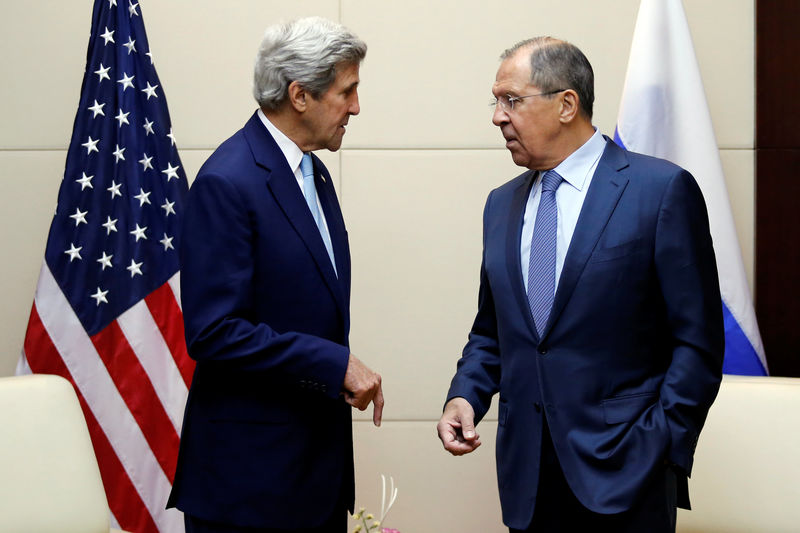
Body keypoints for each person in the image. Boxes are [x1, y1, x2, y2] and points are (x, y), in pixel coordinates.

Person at [437, 36, 724, 532]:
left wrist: (660, 446)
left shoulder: (659, 191)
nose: (497, 116)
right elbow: (493, 332)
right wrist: (466, 395)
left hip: (629, 473)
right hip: (527, 477)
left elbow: (697, 341)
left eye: (511, 100)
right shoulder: (499, 204)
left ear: (566, 104)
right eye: (495, 101)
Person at [167, 17, 383, 533]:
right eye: (347, 91)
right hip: (250, 487)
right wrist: (335, 364)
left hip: (311, 477)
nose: (356, 107)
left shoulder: (312, 169)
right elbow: (213, 331)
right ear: (299, 95)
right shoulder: (228, 180)